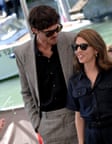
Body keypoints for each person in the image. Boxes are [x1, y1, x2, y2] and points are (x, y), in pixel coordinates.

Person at [14, 5, 77, 144]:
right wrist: (37, 124)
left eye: (57, 29)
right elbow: (26, 92)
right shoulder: (22, 53)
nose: (55, 34)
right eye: (49, 33)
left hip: (76, 117)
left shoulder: (72, 40)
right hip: (47, 124)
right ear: (34, 30)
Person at [66, 28, 112, 144]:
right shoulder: (75, 81)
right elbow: (78, 115)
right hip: (92, 135)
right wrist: (81, 142)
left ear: (96, 49)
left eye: (83, 47)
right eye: (75, 47)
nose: (78, 51)